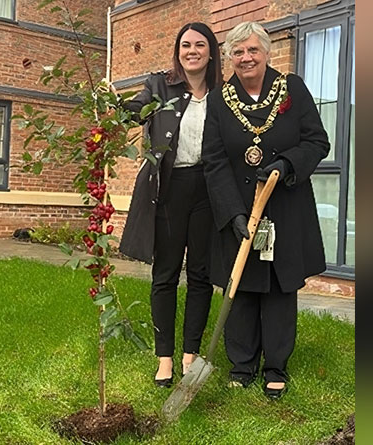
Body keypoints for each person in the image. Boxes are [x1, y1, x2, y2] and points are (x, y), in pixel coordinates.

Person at [201, 21, 330, 400]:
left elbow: (317, 141)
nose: (246, 58)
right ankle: (242, 364)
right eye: (237, 52)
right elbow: (214, 159)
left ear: (267, 51)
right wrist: (233, 212)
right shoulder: (218, 100)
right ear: (228, 58)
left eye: (252, 50)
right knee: (240, 287)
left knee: (277, 287)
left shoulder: (292, 89)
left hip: (285, 206)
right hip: (239, 208)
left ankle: (276, 366)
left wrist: (287, 164)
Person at [118, 22, 223, 388]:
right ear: (177, 52)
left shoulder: (223, 93)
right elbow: (134, 109)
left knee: (200, 274)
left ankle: (190, 352)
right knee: (165, 273)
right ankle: (165, 356)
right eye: (185, 45)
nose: (191, 50)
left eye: (199, 45)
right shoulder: (159, 84)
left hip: (208, 190)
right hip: (169, 187)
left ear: (211, 51)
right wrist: (113, 104)